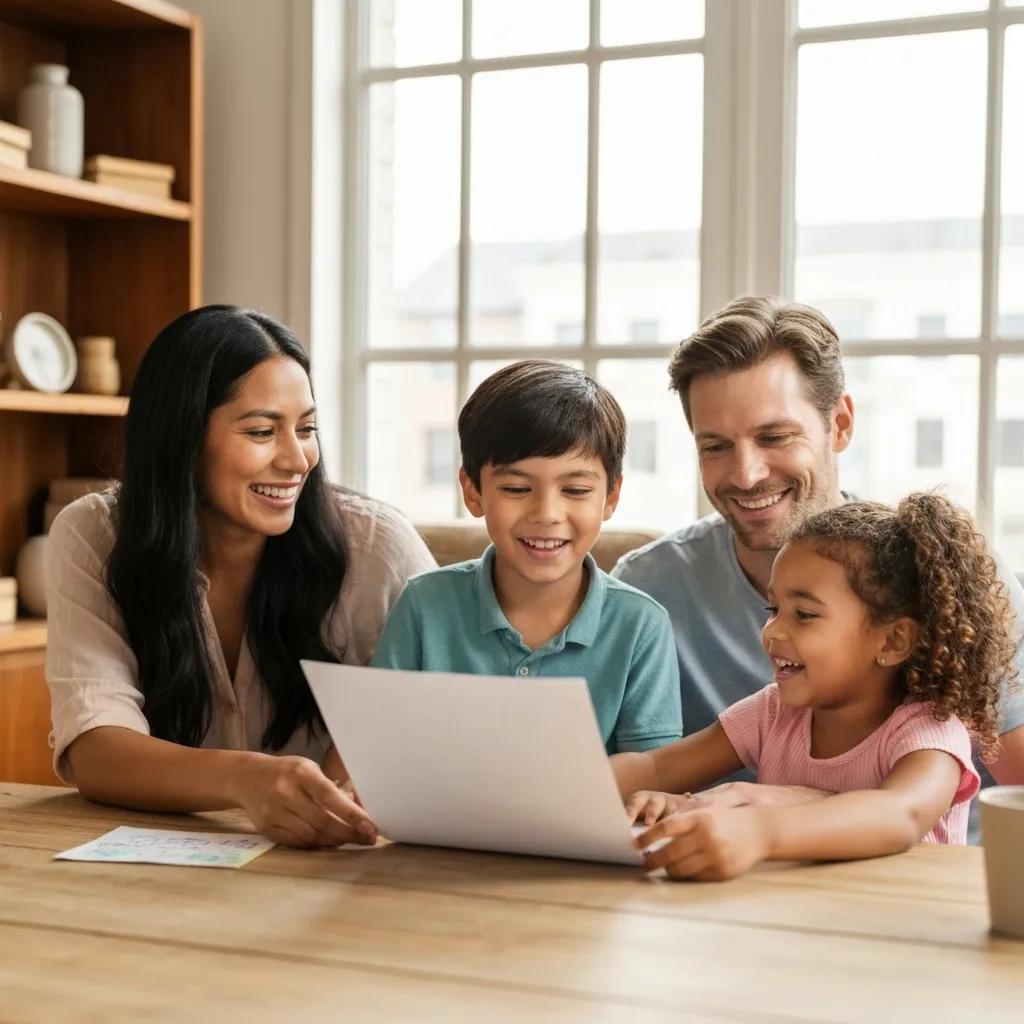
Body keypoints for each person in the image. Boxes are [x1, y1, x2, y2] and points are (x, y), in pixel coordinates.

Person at [612, 296, 1024, 825]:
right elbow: (646, 768)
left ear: (841, 424)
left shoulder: (940, 579)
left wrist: (791, 808)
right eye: (714, 446)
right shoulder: (649, 587)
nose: (745, 474)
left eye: (775, 437)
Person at [46, 305, 436, 848]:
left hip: (345, 865)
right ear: (180, 439)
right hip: (169, 864)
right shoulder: (93, 536)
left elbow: (434, 728)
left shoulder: (377, 548)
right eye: (261, 431)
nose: (298, 460)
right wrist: (245, 779)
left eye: (307, 429)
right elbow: (95, 748)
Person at [613, 492, 1017, 880]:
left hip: (901, 931)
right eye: (774, 609)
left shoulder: (928, 731)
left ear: (892, 642)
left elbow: (899, 814)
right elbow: (658, 767)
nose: (772, 632)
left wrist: (760, 831)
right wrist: (671, 804)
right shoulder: (773, 713)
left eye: (804, 614)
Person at [371, 359, 681, 754]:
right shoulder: (423, 604)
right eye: (517, 489)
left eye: (576, 491)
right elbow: (381, 748)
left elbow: (651, 781)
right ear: (473, 492)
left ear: (611, 496)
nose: (547, 514)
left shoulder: (641, 625)